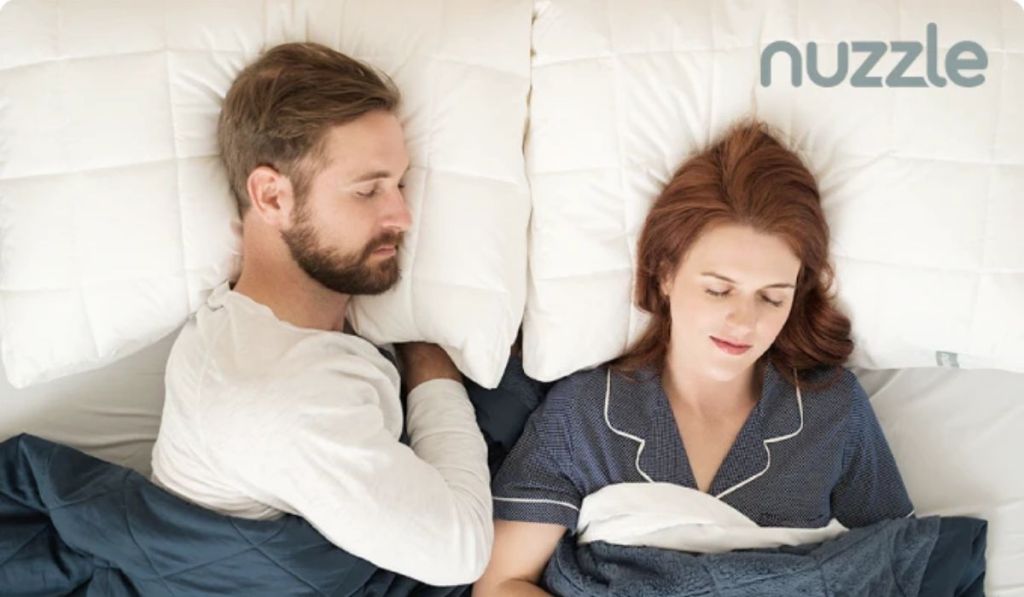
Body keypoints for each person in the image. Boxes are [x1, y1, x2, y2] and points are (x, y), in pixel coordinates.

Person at [474, 120, 914, 595]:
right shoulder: (586, 412)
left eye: (772, 298)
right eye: (718, 289)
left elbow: (900, 567)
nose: (743, 321)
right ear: (665, 273)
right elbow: (501, 582)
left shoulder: (832, 409)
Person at [150, 42, 491, 587]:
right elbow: (464, 550)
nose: (402, 216)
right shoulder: (281, 400)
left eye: (399, 184)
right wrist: (430, 368)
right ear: (272, 197)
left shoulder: (263, 327)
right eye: (367, 190)